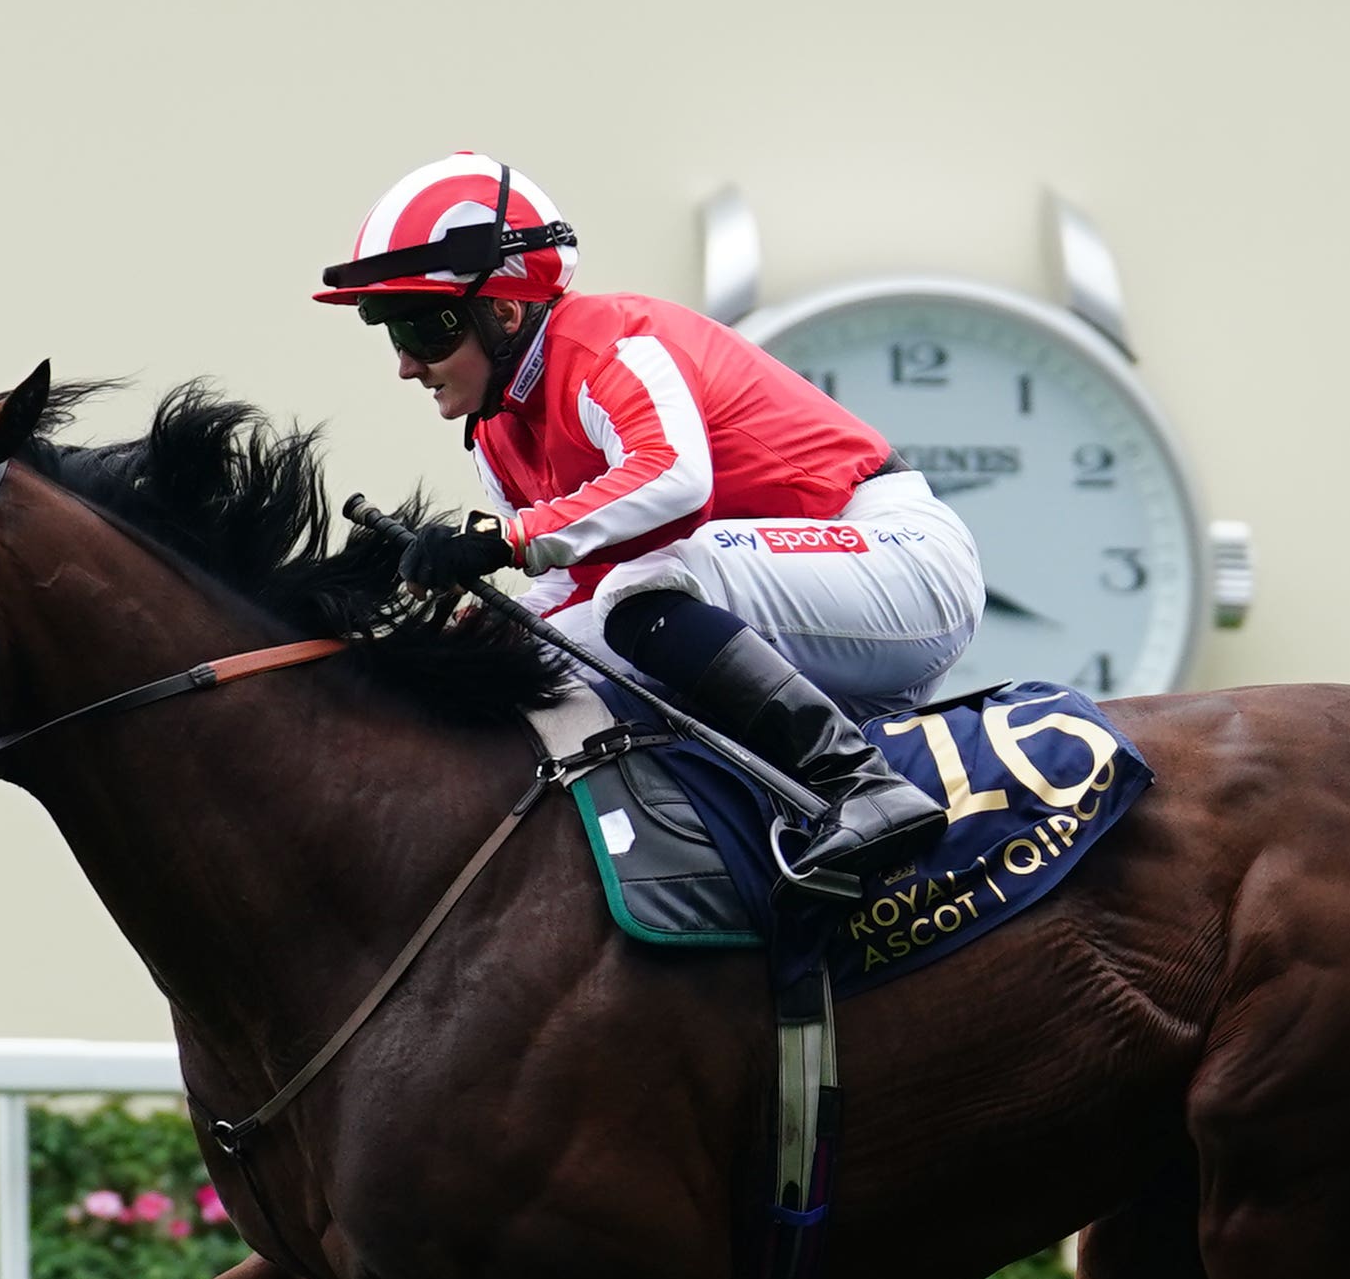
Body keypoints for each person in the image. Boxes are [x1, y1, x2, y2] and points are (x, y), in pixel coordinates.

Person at [317, 150, 983, 901]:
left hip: (902, 561)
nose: (407, 364)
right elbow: (561, 597)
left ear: (503, 309)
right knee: (540, 668)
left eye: (424, 329)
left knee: (641, 588)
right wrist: (439, 653)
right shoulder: (497, 434)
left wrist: (507, 537)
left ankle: (861, 784)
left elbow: (674, 479)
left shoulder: (608, 342)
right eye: (390, 331)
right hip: (801, 616)